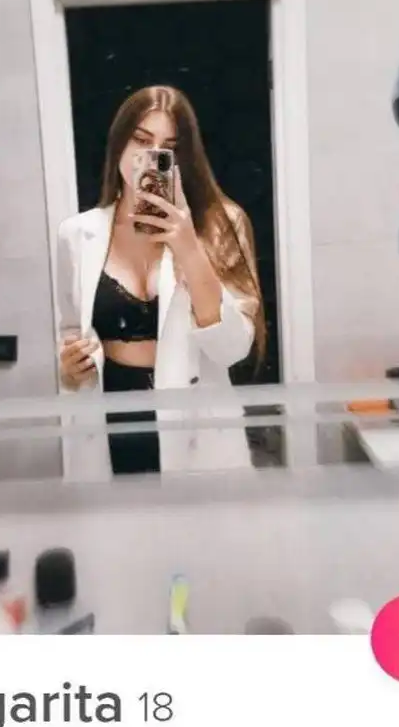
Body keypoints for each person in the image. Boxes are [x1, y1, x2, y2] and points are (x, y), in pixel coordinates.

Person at [56, 85, 266, 480]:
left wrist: (188, 247)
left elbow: (232, 349)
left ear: (182, 159)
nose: (150, 157)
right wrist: (69, 367)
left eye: (168, 148)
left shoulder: (220, 226)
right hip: (110, 419)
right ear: (119, 144)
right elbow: (70, 332)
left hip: (196, 427)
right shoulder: (77, 235)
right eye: (140, 140)